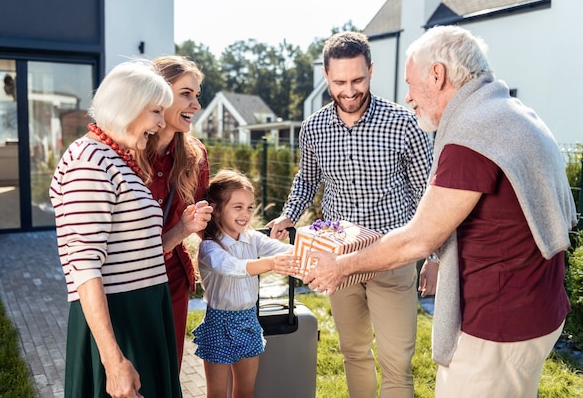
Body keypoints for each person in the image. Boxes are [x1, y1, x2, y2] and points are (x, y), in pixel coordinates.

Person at [304, 25, 577, 398]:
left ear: (437, 75)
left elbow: (420, 237)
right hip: (535, 310)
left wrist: (340, 266)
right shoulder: (511, 113)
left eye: (412, 83)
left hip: (496, 326)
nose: (409, 97)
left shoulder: (472, 136)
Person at [267, 31, 438, 398]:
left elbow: (431, 195)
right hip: (336, 258)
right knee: (353, 353)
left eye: (358, 79)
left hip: (393, 257)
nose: (349, 89)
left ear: (371, 71)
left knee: (397, 363)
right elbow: (307, 179)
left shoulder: (404, 123)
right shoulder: (313, 128)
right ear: (326, 77)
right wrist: (287, 216)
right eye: (340, 81)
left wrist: (435, 257)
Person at [49, 60, 182, 398]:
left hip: (145, 314)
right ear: (128, 106)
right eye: (155, 110)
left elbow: (138, 252)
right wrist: (113, 360)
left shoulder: (115, 159)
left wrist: (183, 229)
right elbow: (84, 265)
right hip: (121, 322)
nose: (160, 122)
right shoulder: (89, 161)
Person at [135, 55, 213, 370]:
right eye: (185, 94)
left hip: (173, 282)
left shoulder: (195, 155)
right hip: (132, 282)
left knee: (168, 371)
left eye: (197, 96)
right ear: (159, 95)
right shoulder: (127, 152)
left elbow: (206, 224)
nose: (195, 104)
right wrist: (181, 230)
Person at [193, 169, 297, 398]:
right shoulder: (210, 247)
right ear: (217, 209)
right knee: (217, 394)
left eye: (250, 207)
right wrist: (270, 263)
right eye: (238, 207)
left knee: (245, 391)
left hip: (249, 321)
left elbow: (286, 250)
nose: (246, 214)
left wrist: (320, 248)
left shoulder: (253, 238)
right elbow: (234, 268)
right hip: (218, 325)